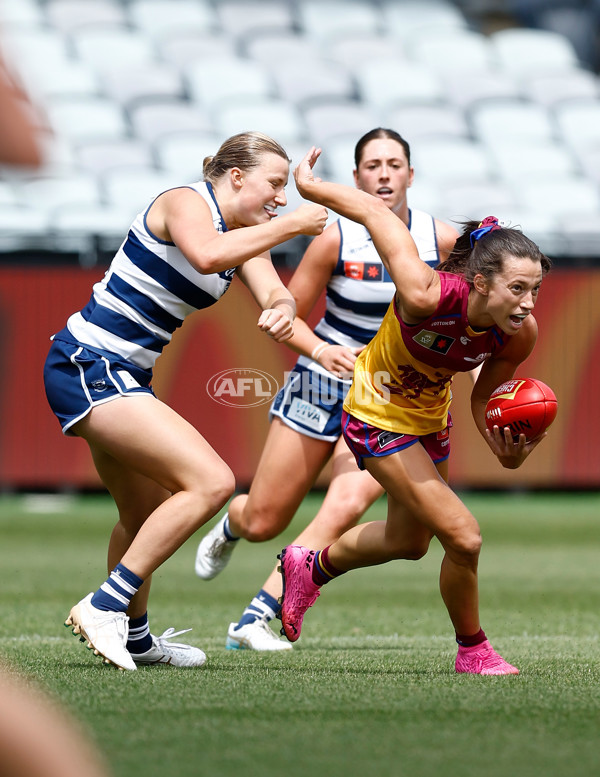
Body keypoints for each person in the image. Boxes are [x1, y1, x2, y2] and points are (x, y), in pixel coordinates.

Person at [42, 132, 328, 671]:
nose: (281, 198)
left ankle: (136, 637)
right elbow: (205, 253)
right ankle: (104, 605)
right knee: (213, 482)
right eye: (274, 185)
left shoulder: (246, 234)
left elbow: (274, 292)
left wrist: (285, 307)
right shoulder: (185, 203)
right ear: (236, 177)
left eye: (285, 191)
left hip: (122, 373)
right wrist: (293, 224)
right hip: (89, 363)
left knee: (142, 512)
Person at [276, 147, 552, 675]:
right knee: (464, 536)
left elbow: (481, 399)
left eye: (535, 290)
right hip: (376, 411)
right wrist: (310, 188)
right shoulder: (425, 294)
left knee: (409, 542)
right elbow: (377, 213)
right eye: (518, 288)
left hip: (430, 417)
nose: (528, 303)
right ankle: (473, 651)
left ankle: (308, 567)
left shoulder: (518, 335)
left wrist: (506, 452)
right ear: (480, 282)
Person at [194, 128, 459, 651]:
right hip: (321, 383)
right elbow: (284, 310)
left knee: (349, 498)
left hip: (389, 397)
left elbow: (459, 322)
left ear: (410, 174)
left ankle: (256, 616)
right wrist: (318, 349)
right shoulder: (336, 237)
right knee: (265, 518)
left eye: (394, 164)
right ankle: (233, 524)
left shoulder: (441, 241)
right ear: (356, 177)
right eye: (372, 165)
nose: (383, 174)